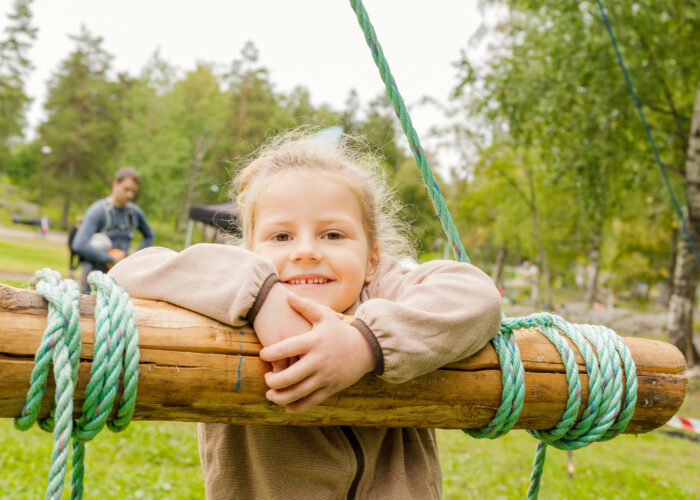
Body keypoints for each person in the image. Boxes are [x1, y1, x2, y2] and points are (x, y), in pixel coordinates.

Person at [109, 130, 501, 500]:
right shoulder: (226, 292)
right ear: (247, 252)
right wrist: (260, 295)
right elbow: (127, 272)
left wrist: (365, 343)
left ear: (372, 259)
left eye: (333, 235)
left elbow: (476, 294)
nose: (306, 251)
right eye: (281, 236)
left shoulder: (385, 290)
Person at [72, 167, 155, 293]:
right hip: (95, 280)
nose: (130, 195)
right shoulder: (98, 210)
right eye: (126, 189)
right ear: (116, 184)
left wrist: (135, 258)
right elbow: (79, 244)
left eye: (133, 191)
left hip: (121, 279)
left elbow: (150, 235)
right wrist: (110, 258)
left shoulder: (134, 212)